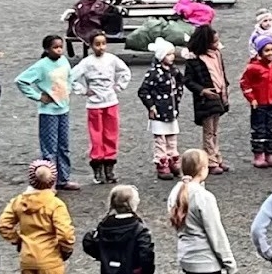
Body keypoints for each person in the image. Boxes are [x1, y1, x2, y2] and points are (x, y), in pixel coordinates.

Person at [15, 35, 80, 191]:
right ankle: (49, 181)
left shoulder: (63, 61)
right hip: (48, 112)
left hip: (64, 109)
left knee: (63, 146)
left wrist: (68, 90)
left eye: (60, 47)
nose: (58, 50)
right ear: (47, 49)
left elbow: (69, 77)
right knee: (49, 148)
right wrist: (38, 96)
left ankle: (63, 179)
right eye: (55, 47)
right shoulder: (41, 66)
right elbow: (21, 81)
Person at [71, 32, 132, 185]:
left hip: (111, 102)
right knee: (96, 136)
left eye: (103, 44)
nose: (101, 47)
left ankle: (109, 166)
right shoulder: (86, 63)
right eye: (97, 44)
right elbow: (71, 77)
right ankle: (97, 165)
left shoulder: (112, 59)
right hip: (94, 104)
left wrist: (118, 86)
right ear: (91, 45)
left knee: (111, 134)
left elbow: (125, 72)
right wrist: (83, 90)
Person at [182, 24, 231, 175]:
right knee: (209, 132)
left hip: (218, 95)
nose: (217, 45)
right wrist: (202, 91)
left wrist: (225, 92)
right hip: (206, 99)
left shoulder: (216, 54)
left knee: (215, 130)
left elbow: (221, 73)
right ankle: (210, 160)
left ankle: (217, 156)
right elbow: (188, 80)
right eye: (214, 42)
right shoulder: (195, 59)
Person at [139, 37, 185, 180]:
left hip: (171, 111)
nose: (172, 57)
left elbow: (180, 83)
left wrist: (177, 98)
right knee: (160, 139)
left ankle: (173, 159)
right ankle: (161, 162)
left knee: (172, 138)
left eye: (172, 54)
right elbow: (143, 91)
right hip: (159, 112)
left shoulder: (173, 71)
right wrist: (151, 106)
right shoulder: (154, 73)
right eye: (168, 54)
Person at [240, 35, 272, 168]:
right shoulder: (253, 67)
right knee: (259, 129)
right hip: (259, 103)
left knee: (270, 128)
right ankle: (258, 154)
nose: (270, 53)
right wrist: (251, 99)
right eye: (267, 50)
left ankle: (269, 153)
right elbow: (245, 83)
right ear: (260, 51)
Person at [248, 9, 272, 127]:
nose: (268, 23)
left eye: (270, 20)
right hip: (261, 66)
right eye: (265, 20)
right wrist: (258, 61)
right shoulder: (255, 35)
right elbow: (252, 50)